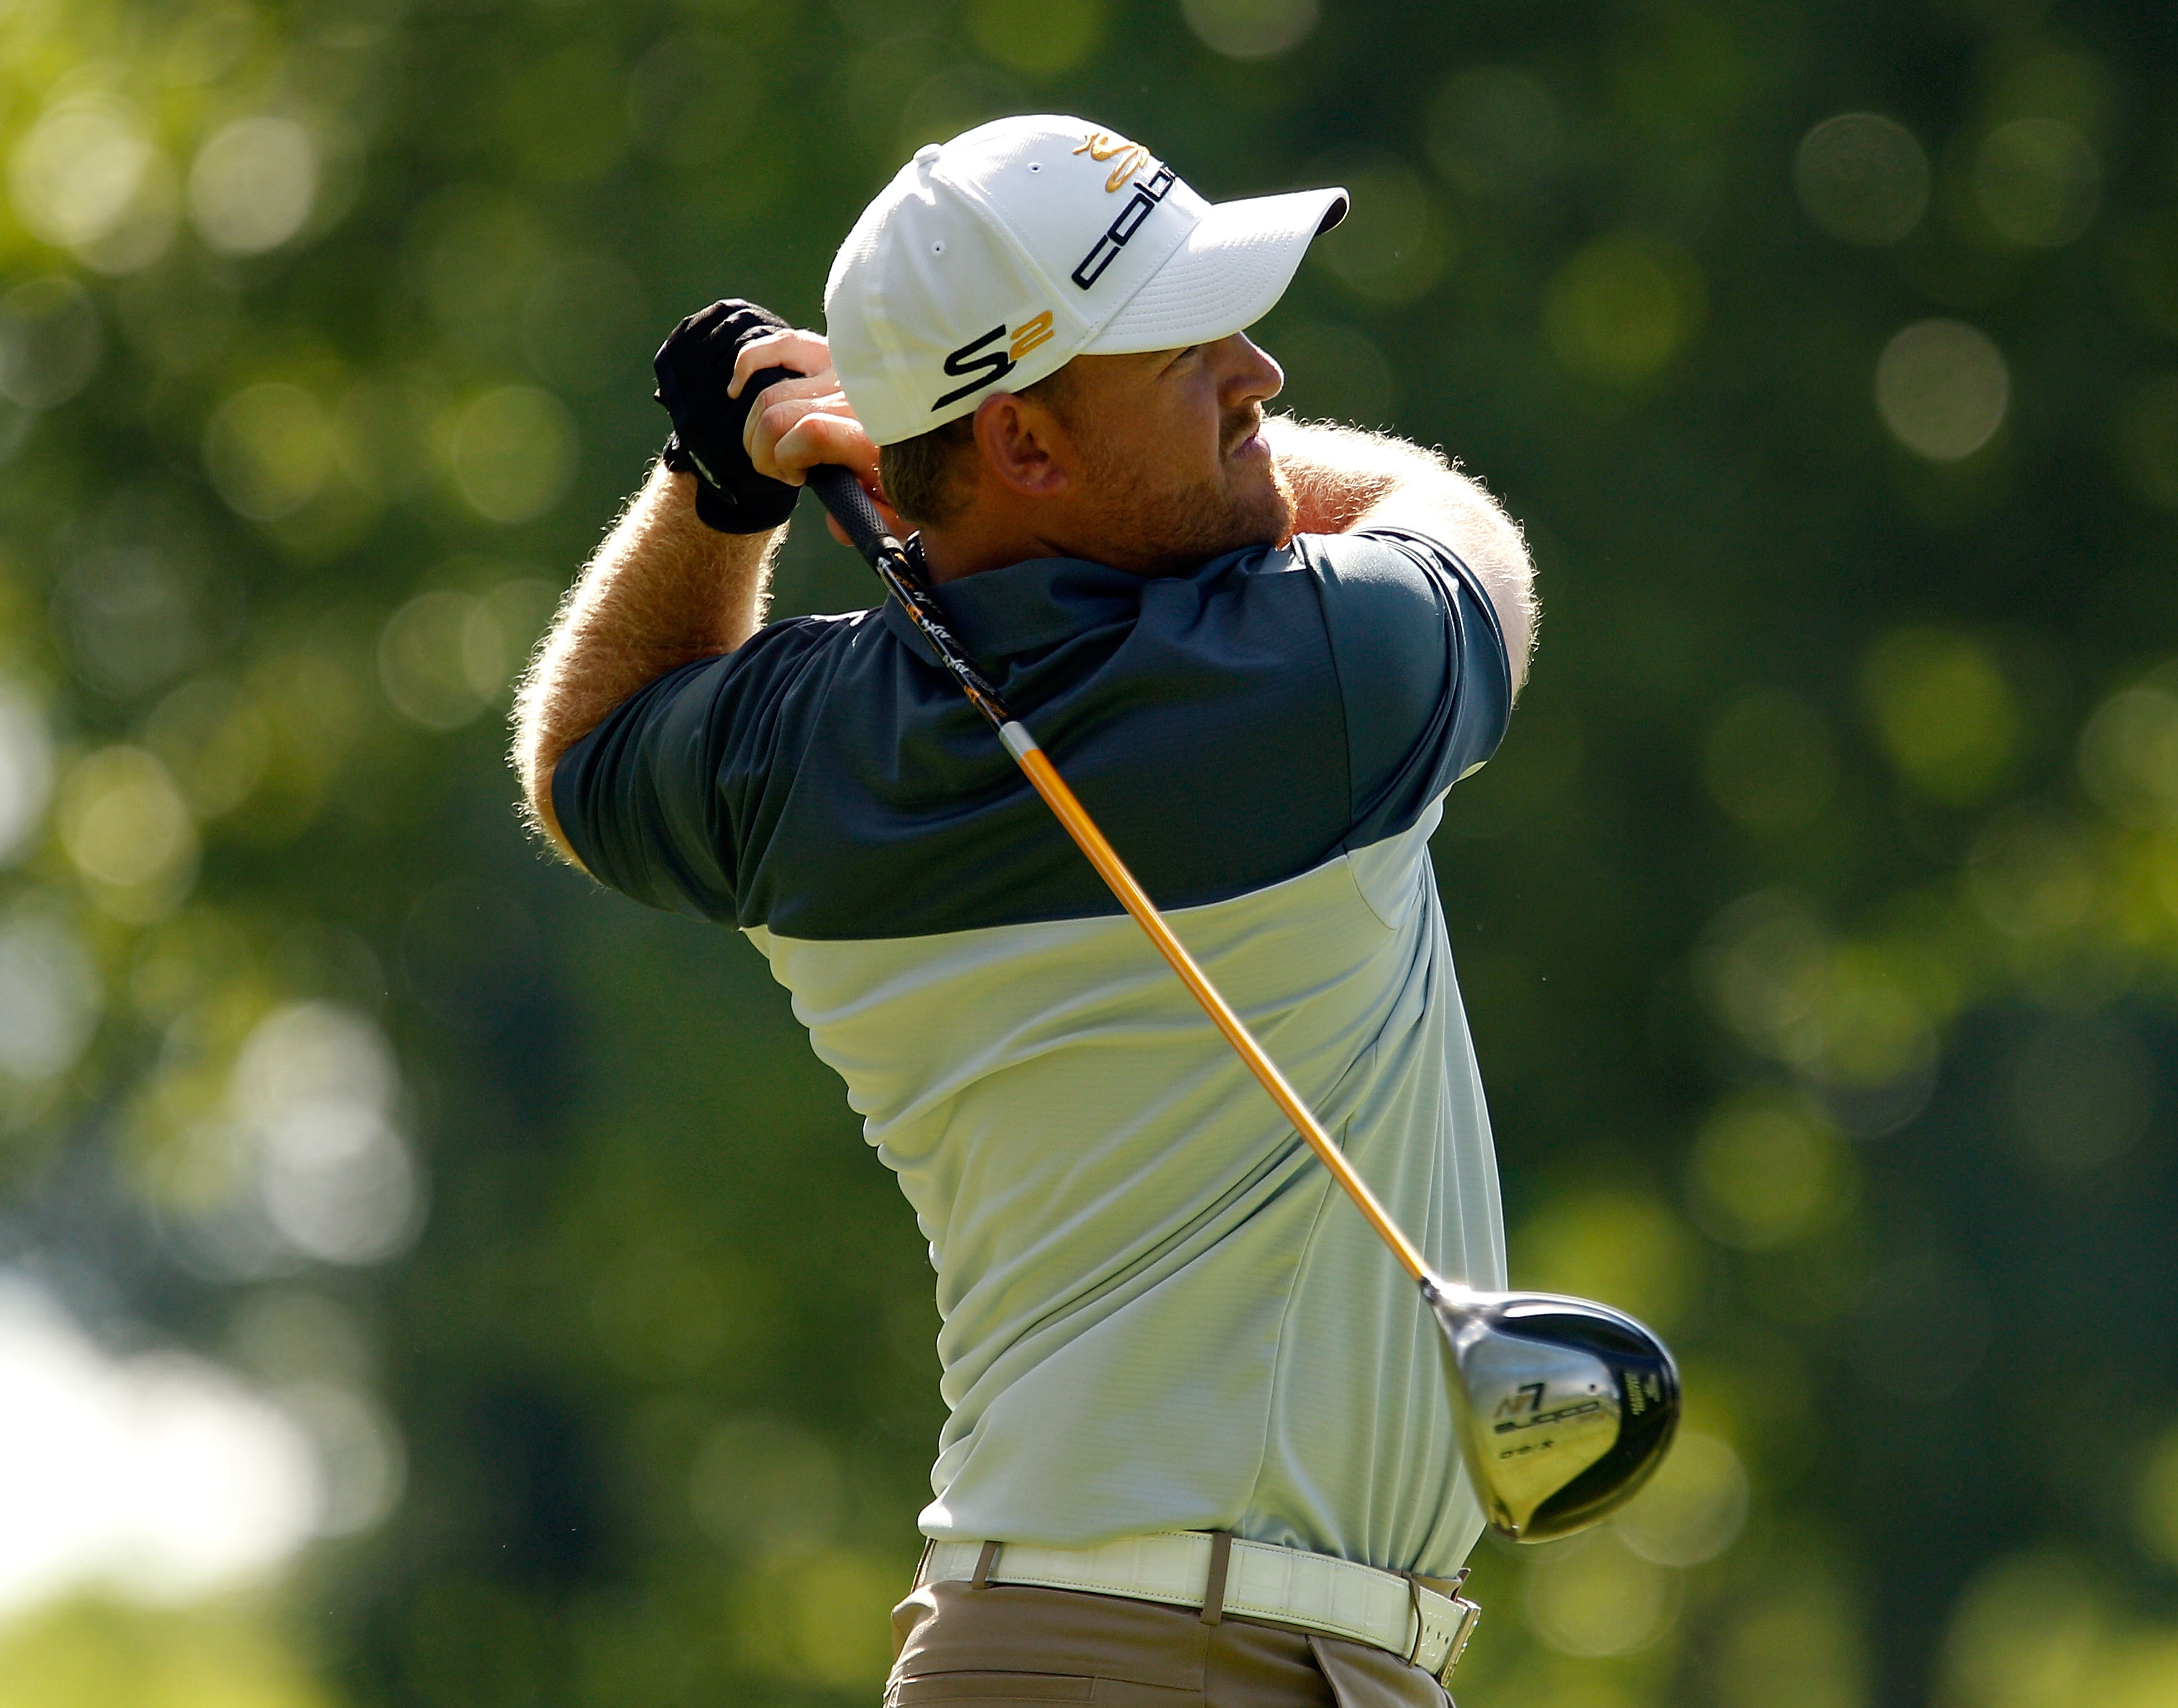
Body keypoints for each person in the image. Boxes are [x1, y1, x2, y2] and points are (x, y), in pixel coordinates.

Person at [512, 115, 1538, 1707]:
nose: (1259, 376)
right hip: (1182, 1658)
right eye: (1190, 352)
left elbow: (581, 749)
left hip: (1079, 1637)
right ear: (1032, 449)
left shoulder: (807, 744)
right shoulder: (1315, 672)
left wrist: (719, 499)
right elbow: (1452, 525)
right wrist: (889, 464)